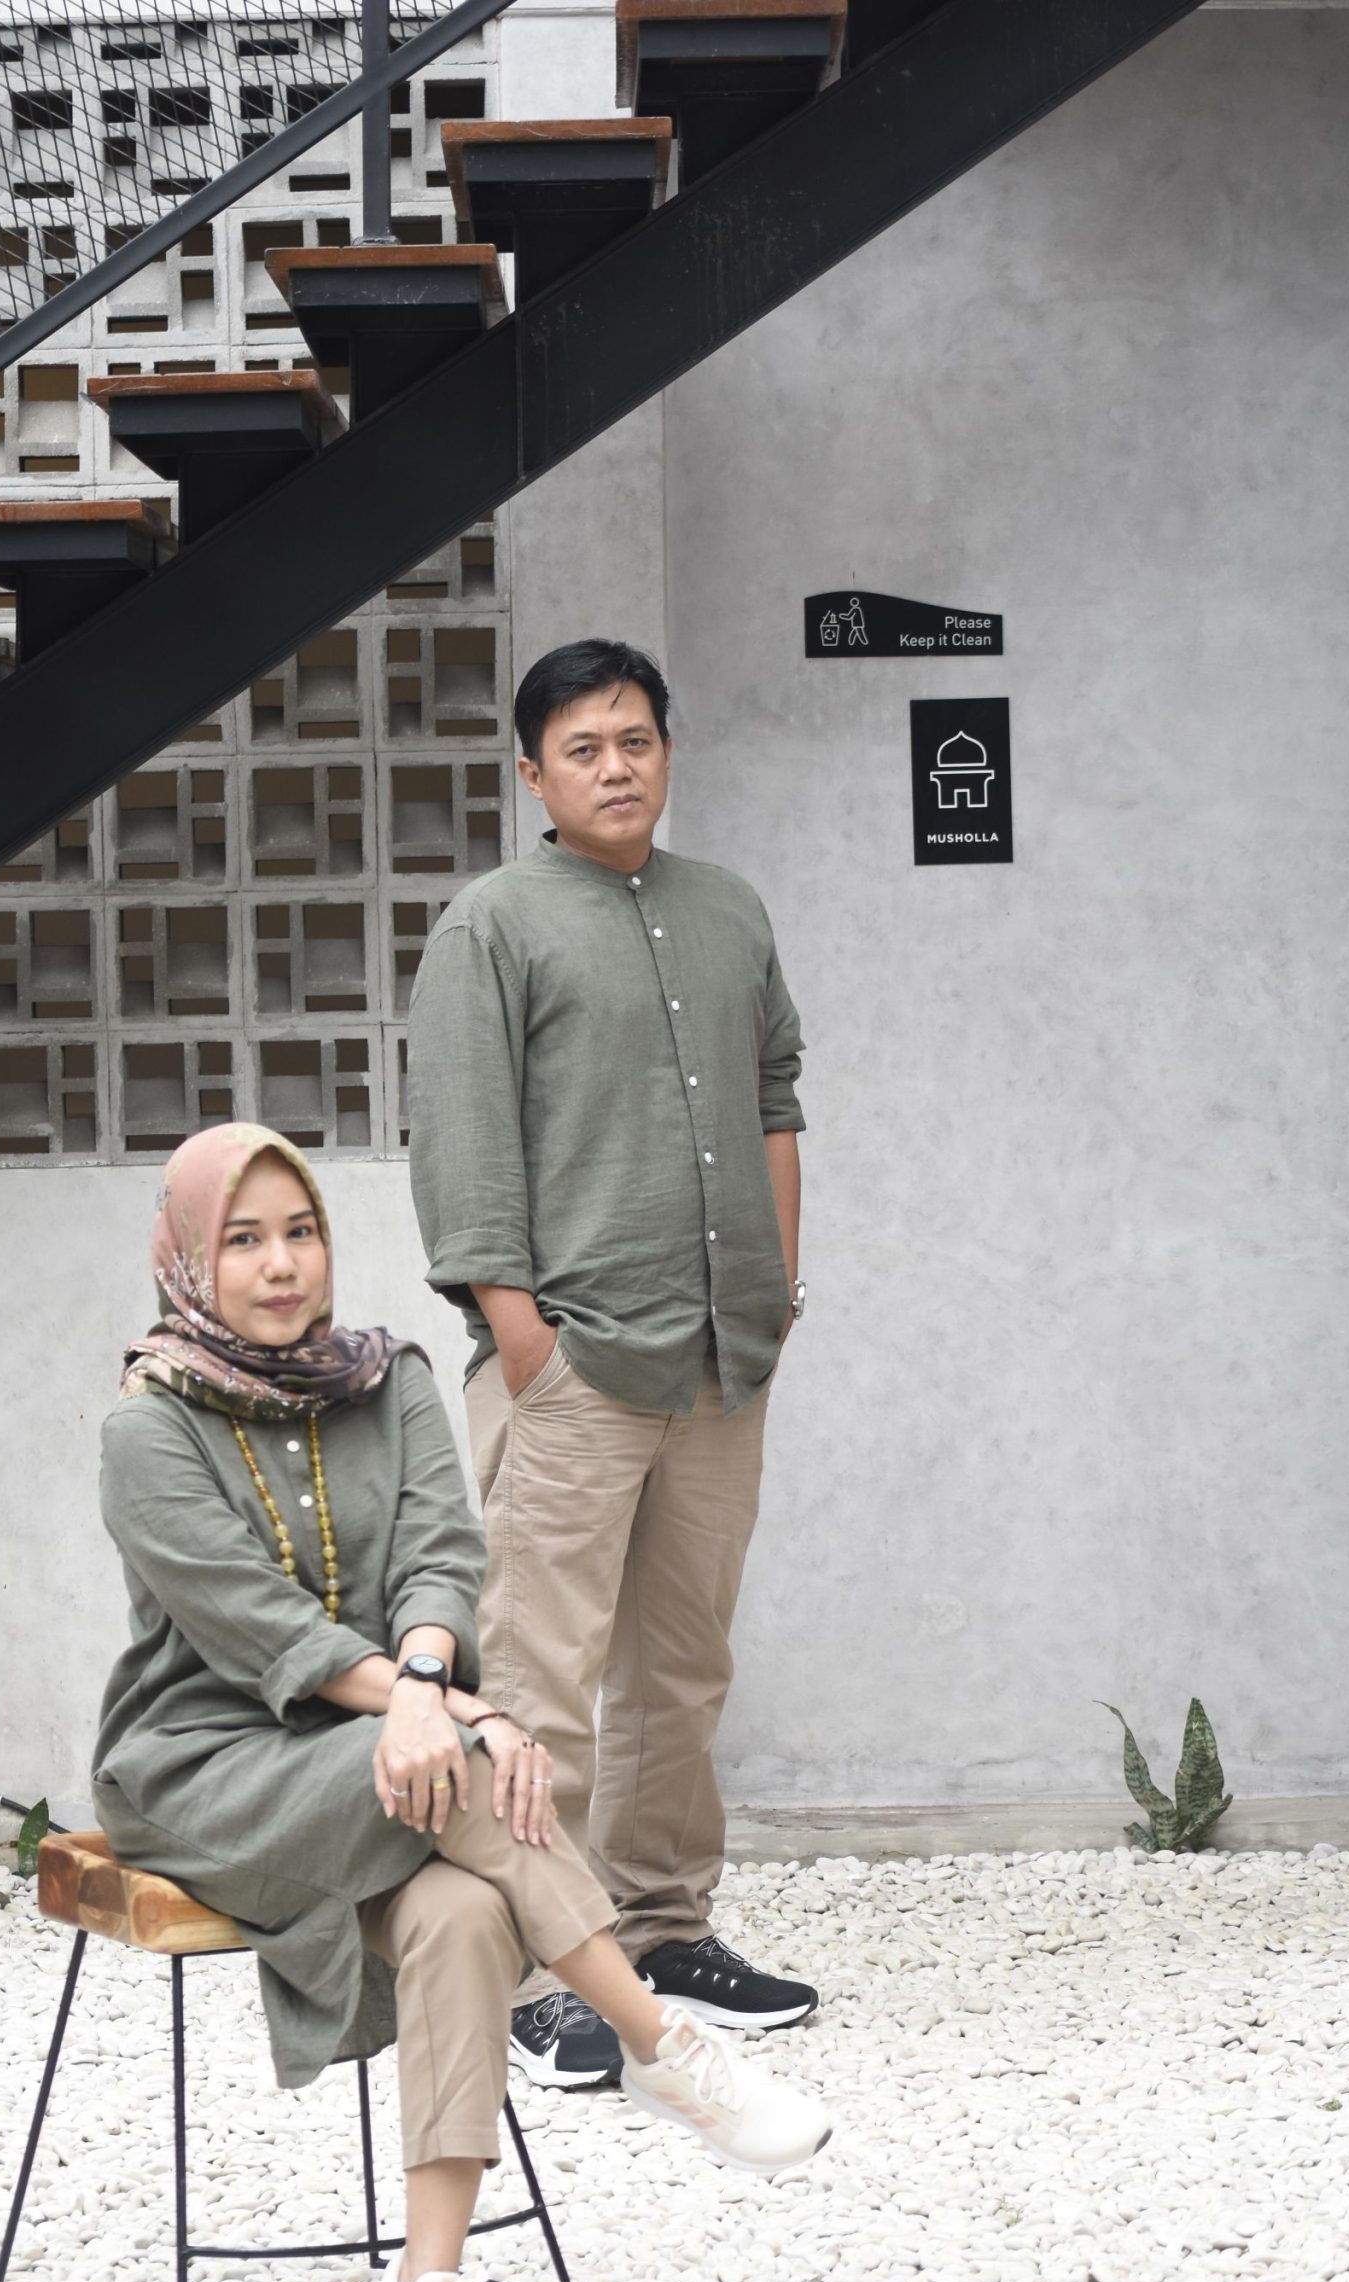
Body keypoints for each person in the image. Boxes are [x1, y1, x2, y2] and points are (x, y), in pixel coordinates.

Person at [92, 1122, 831, 2282]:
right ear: (189, 1258)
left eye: (300, 1232)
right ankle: (658, 2043)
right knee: (476, 1770)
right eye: (243, 1241)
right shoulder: (148, 1428)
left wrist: (430, 1683)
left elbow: (443, 1554)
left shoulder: (390, 1383)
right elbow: (254, 1622)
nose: (280, 1265)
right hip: (205, 1763)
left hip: (398, 1744)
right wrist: (446, 1711)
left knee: (465, 1912)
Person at [406, 638, 818, 2090]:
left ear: (667, 751)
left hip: (721, 1354)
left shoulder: (728, 909)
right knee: (536, 1679)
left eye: (636, 739)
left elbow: (776, 1097)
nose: (616, 766)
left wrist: (776, 1286)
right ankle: (536, 1976)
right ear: (534, 775)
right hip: (572, 1359)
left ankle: (664, 1928)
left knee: (681, 1672)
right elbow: (462, 1138)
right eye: (582, 748)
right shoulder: (491, 925)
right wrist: (520, 1336)